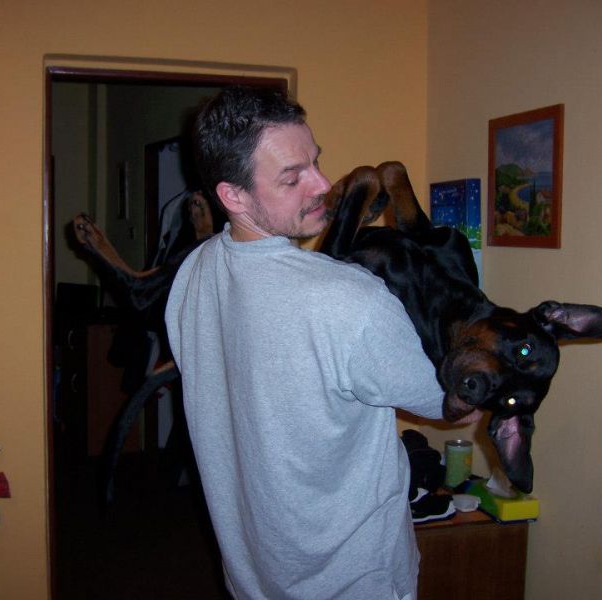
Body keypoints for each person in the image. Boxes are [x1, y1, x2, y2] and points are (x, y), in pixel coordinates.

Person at [164, 86, 445, 600]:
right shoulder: (350, 299)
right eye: (292, 177)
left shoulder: (195, 271)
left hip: (253, 575)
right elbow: (451, 401)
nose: (322, 184)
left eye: (315, 161)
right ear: (233, 196)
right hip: (354, 583)